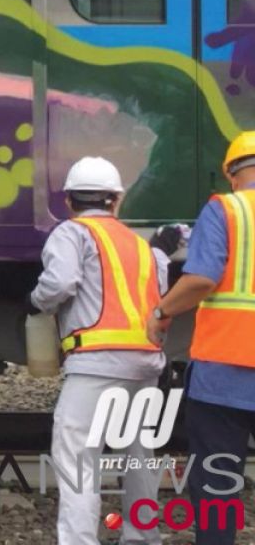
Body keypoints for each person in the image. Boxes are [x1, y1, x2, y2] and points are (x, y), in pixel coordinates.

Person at [30, 157, 172, 545]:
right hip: (144, 362)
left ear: (70, 201)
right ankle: (142, 537)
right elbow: (160, 287)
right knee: (139, 452)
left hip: (96, 361)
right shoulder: (141, 246)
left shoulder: (71, 233)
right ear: (115, 201)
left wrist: (38, 301)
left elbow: (59, 283)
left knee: (77, 455)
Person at [147, 131, 255, 544]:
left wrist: (161, 312)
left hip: (222, 377)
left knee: (216, 484)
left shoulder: (226, 210)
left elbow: (202, 279)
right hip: (222, 376)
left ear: (232, 175)